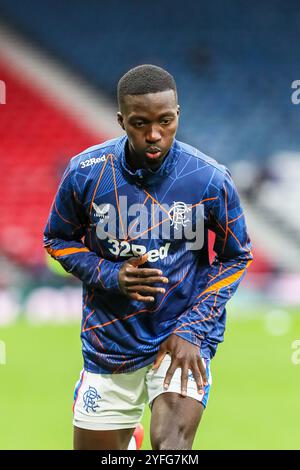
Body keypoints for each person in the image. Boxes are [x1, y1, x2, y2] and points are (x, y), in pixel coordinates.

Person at [44, 64, 253, 450]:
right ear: (121, 120)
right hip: (110, 340)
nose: (154, 134)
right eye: (140, 123)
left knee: (170, 446)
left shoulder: (208, 178)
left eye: (165, 121)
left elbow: (235, 257)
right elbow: (57, 238)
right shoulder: (86, 173)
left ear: (178, 116)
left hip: (180, 337)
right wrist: (109, 273)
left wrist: (193, 327)